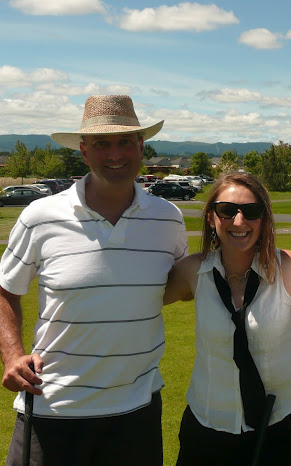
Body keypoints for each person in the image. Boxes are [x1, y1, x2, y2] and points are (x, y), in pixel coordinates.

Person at [0, 95, 188, 465]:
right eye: (102, 144)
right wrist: (11, 355)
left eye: (125, 142)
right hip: (53, 406)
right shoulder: (40, 216)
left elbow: (180, 283)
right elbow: (5, 289)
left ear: (141, 147)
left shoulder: (168, 219)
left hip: (136, 410)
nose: (114, 154)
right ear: (84, 152)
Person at [164, 172, 291, 465]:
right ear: (211, 218)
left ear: (264, 219)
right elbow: (141, 301)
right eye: (227, 210)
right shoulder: (193, 271)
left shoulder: (289, 266)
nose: (239, 221)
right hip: (206, 425)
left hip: (271, 428)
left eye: (252, 211)